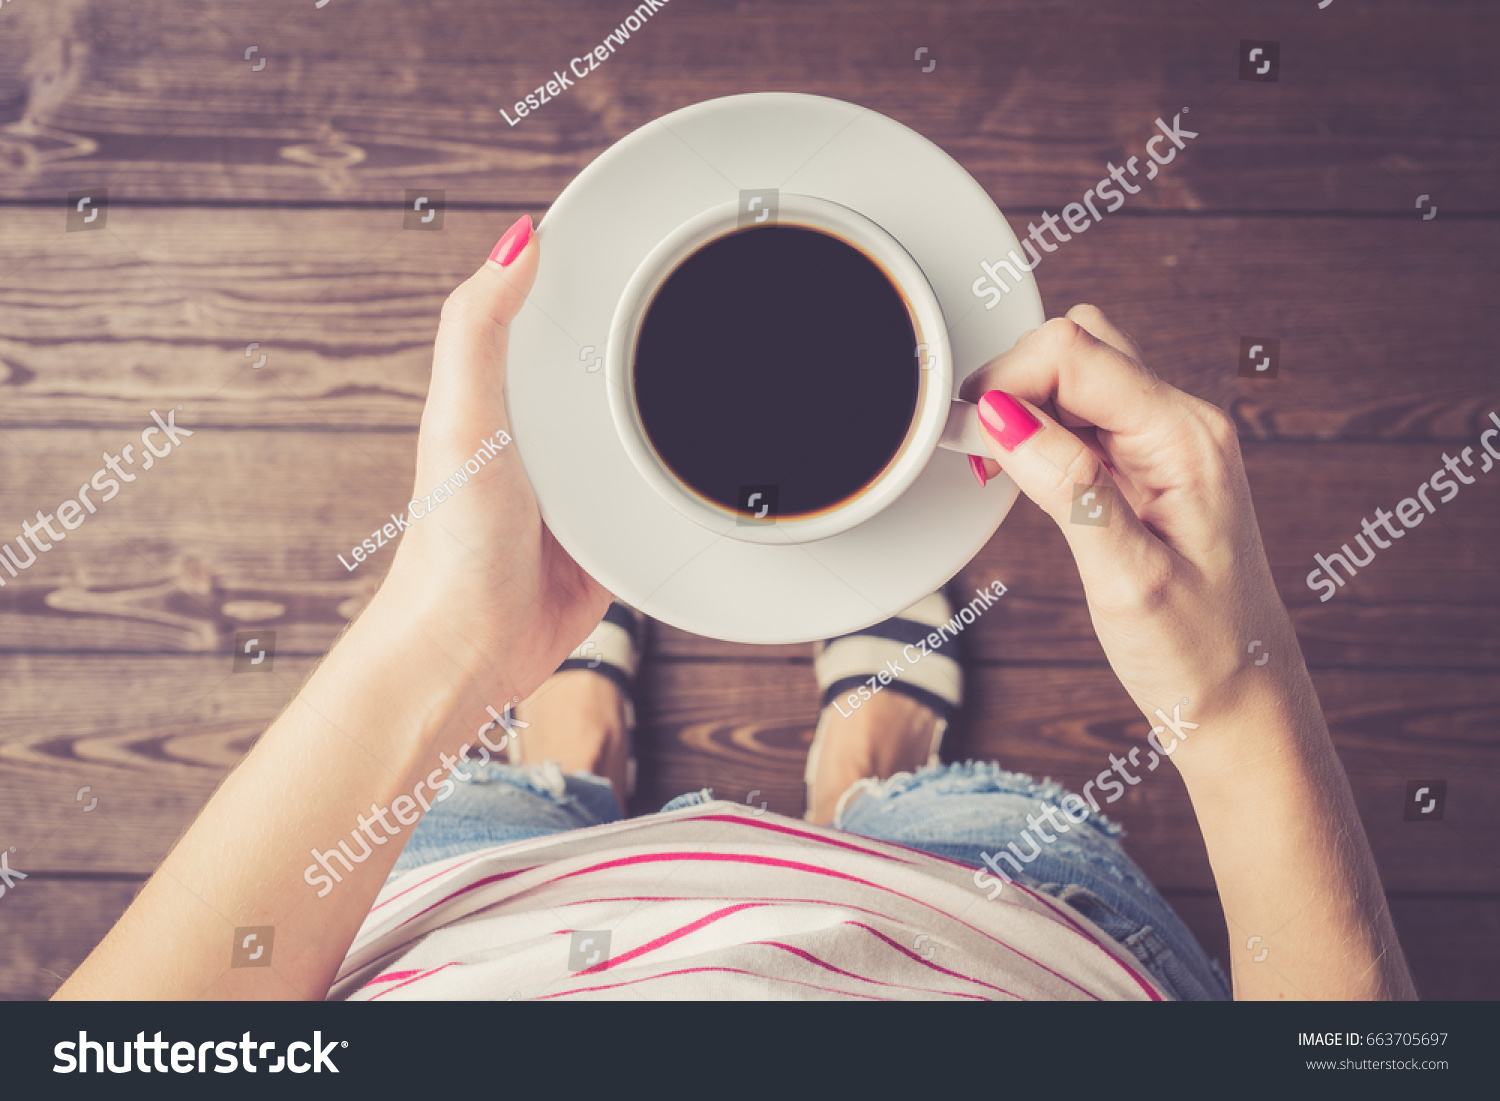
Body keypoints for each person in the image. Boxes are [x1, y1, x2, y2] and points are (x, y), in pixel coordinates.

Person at [55, 216, 1416, 1001]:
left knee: (507, 796)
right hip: (999, 914)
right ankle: (869, 766)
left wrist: (450, 638)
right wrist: (1232, 696)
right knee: (946, 816)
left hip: (459, 908)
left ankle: (563, 740)